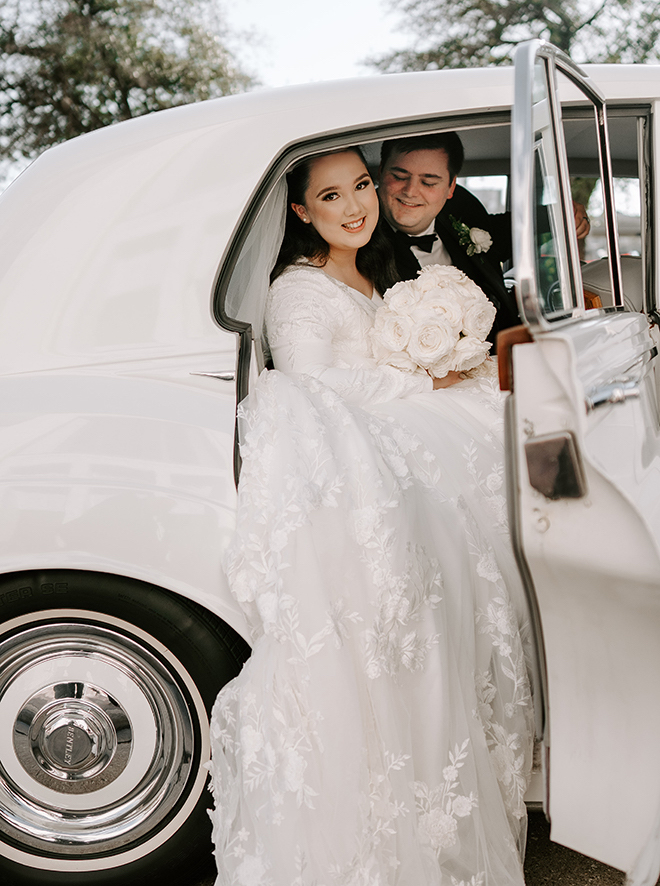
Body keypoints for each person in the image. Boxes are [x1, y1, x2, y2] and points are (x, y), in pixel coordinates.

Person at [208, 147, 535, 886]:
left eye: (361, 186)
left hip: (409, 421)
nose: (357, 206)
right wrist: (420, 372)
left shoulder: (377, 267)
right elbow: (313, 388)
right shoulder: (298, 293)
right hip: (371, 438)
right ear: (300, 211)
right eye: (332, 196)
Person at [378, 133, 590, 342]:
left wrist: (564, 215)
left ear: (450, 187)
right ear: (380, 173)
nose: (411, 191)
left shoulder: (463, 212)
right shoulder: (360, 243)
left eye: (429, 182)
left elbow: (509, 230)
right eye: (399, 177)